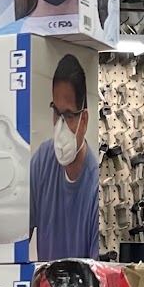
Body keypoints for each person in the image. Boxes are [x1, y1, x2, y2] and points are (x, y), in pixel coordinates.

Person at [30, 52, 99, 259]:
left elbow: (96, 274)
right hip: (44, 280)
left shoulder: (95, 188)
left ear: (84, 120)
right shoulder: (42, 161)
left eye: (68, 115)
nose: (60, 127)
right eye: (56, 113)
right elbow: (16, 236)